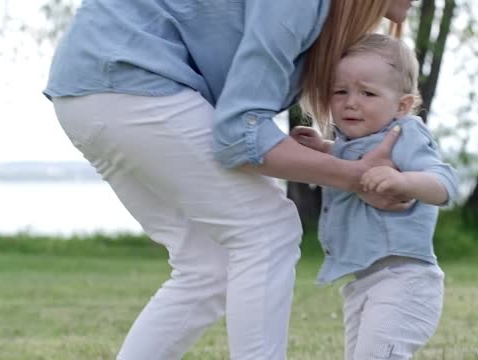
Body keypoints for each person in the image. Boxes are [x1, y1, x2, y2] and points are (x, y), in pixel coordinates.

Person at [43, 0, 418, 359]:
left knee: (207, 264)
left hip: (87, 87)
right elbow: (238, 135)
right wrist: (357, 175)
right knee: (268, 230)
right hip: (130, 80)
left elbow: (241, 129)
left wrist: (342, 166)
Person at [291, 33, 459, 359]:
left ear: (402, 106)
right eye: (341, 91)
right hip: (365, 283)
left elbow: (445, 184)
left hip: (405, 280)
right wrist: (324, 149)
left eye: (367, 93)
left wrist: (404, 181)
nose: (351, 102)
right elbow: (354, 161)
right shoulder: (348, 144)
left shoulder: (405, 134)